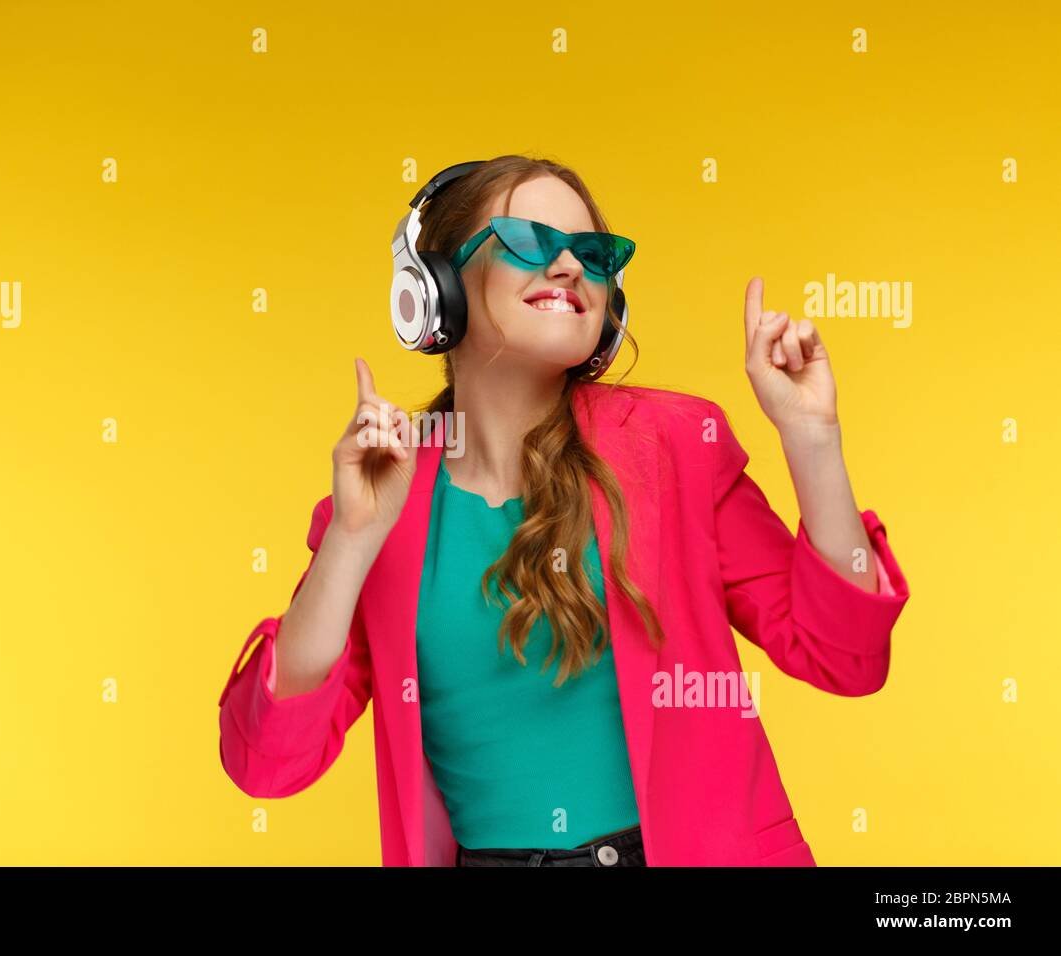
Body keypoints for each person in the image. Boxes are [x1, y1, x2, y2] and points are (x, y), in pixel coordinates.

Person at [217, 154, 910, 867]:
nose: (571, 267)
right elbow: (268, 762)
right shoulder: (380, 502)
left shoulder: (675, 446)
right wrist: (351, 541)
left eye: (592, 253)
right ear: (437, 290)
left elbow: (846, 659)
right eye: (530, 241)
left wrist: (813, 438)